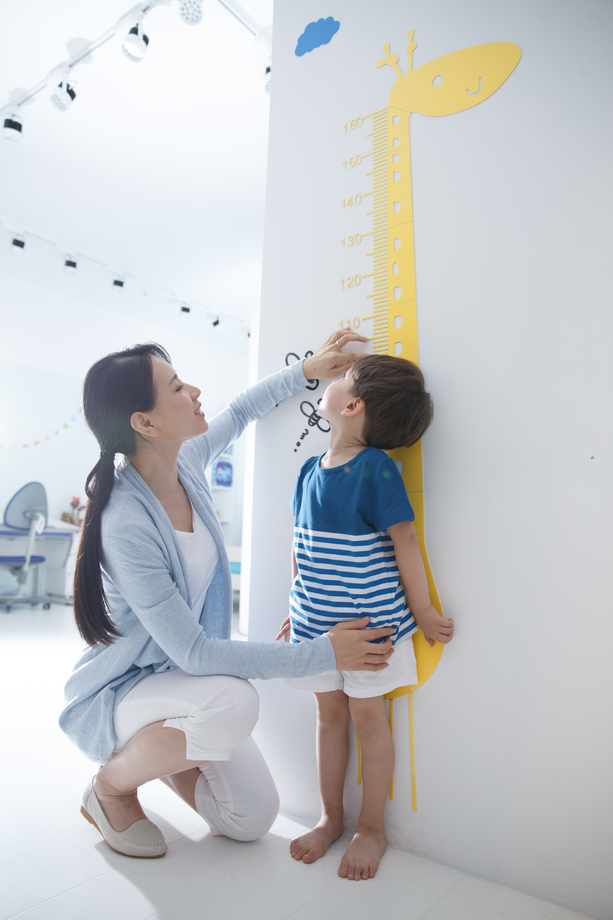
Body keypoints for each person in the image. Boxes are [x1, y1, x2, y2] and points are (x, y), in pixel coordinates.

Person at [59, 331, 398, 860]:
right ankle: (110, 788)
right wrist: (324, 652)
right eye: (176, 386)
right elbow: (195, 652)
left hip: (178, 682)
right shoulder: (125, 520)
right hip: (127, 688)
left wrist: (308, 369)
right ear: (144, 423)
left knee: (248, 819)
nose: (194, 390)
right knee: (236, 699)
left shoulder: (185, 461)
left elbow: (241, 410)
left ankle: (165, 750)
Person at [276, 354, 454, 880]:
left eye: (342, 379)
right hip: (315, 628)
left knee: (366, 719)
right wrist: (294, 606)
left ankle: (370, 828)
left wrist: (422, 611)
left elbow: (405, 541)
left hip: (372, 630)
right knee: (328, 716)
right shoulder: (309, 470)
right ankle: (331, 817)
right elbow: (300, 547)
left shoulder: (375, 469)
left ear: (351, 405)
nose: (333, 381)